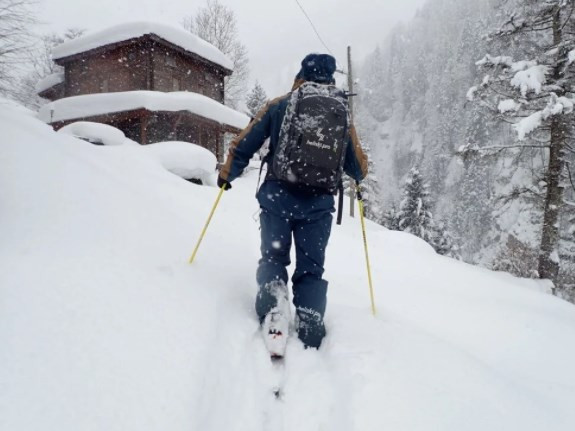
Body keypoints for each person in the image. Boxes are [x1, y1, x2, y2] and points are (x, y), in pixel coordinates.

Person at [218, 53, 368, 353]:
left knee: (274, 257)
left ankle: (274, 304)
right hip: (319, 206)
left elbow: (244, 142)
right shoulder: (340, 113)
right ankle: (310, 317)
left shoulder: (279, 105)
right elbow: (358, 168)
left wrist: (227, 174)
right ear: (331, 79)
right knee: (311, 268)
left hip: (278, 197)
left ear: (301, 74)